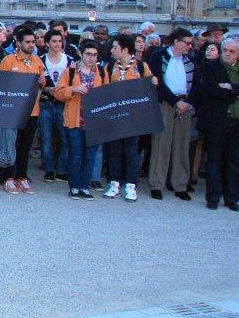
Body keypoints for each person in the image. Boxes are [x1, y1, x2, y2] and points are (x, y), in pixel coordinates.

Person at [197, 38, 239, 211]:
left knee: (235, 161)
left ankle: (232, 198)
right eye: (225, 50)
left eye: (232, 51)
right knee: (214, 159)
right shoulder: (211, 67)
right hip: (216, 120)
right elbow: (212, 90)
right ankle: (213, 198)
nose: (228, 54)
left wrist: (230, 87)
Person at [101, 34, 156, 202]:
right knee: (115, 151)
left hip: (134, 117)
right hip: (115, 116)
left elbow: (150, 86)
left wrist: (153, 81)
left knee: (132, 151)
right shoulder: (109, 67)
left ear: (124, 49)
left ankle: (131, 185)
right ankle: (114, 183)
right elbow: (104, 89)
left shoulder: (141, 66)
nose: (111, 50)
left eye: (114, 47)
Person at [52, 40, 106, 200]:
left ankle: (85, 186)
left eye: (95, 55)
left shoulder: (102, 72)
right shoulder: (70, 71)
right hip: (74, 119)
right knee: (75, 154)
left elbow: (108, 94)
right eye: (88, 54)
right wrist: (73, 89)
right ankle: (74, 186)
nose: (92, 58)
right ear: (81, 54)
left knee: (90, 156)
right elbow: (58, 93)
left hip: (94, 121)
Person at [147, 27, 197, 201]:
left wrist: (186, 102)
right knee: (161, 144)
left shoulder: (190, 59)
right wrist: (175, 102)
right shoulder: (158, 56)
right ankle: (157, 183)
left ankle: (180, 184)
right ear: (176, 41)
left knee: (182, 145)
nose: (189, 46)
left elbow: (197, 83)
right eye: (187, 43)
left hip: (185, 104)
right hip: (165, 103)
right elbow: (158, 83)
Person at [0, 26, 46, 194]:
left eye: (33, 42)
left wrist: (41, 81)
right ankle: (8, 177)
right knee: (12, 144)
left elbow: (42, 84)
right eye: (28, 42)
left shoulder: (37, 61)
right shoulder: (9, 60)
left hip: (32, 110)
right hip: (12, 111)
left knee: (25, 146)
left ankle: (22, 177)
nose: (31, 45)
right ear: (18, 43)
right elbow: (1, 84)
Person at [37, 29, 73, 183]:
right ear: (47, 43)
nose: (57, 44)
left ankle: (62, 169)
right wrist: (45, 88)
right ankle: (50, 168)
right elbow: (35, 81)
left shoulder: (70, 60)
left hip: (63, 104)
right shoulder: (40, 60)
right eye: (54, 41)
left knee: (65, 138)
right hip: (45, 102)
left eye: (60, 41)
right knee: (46, 138)